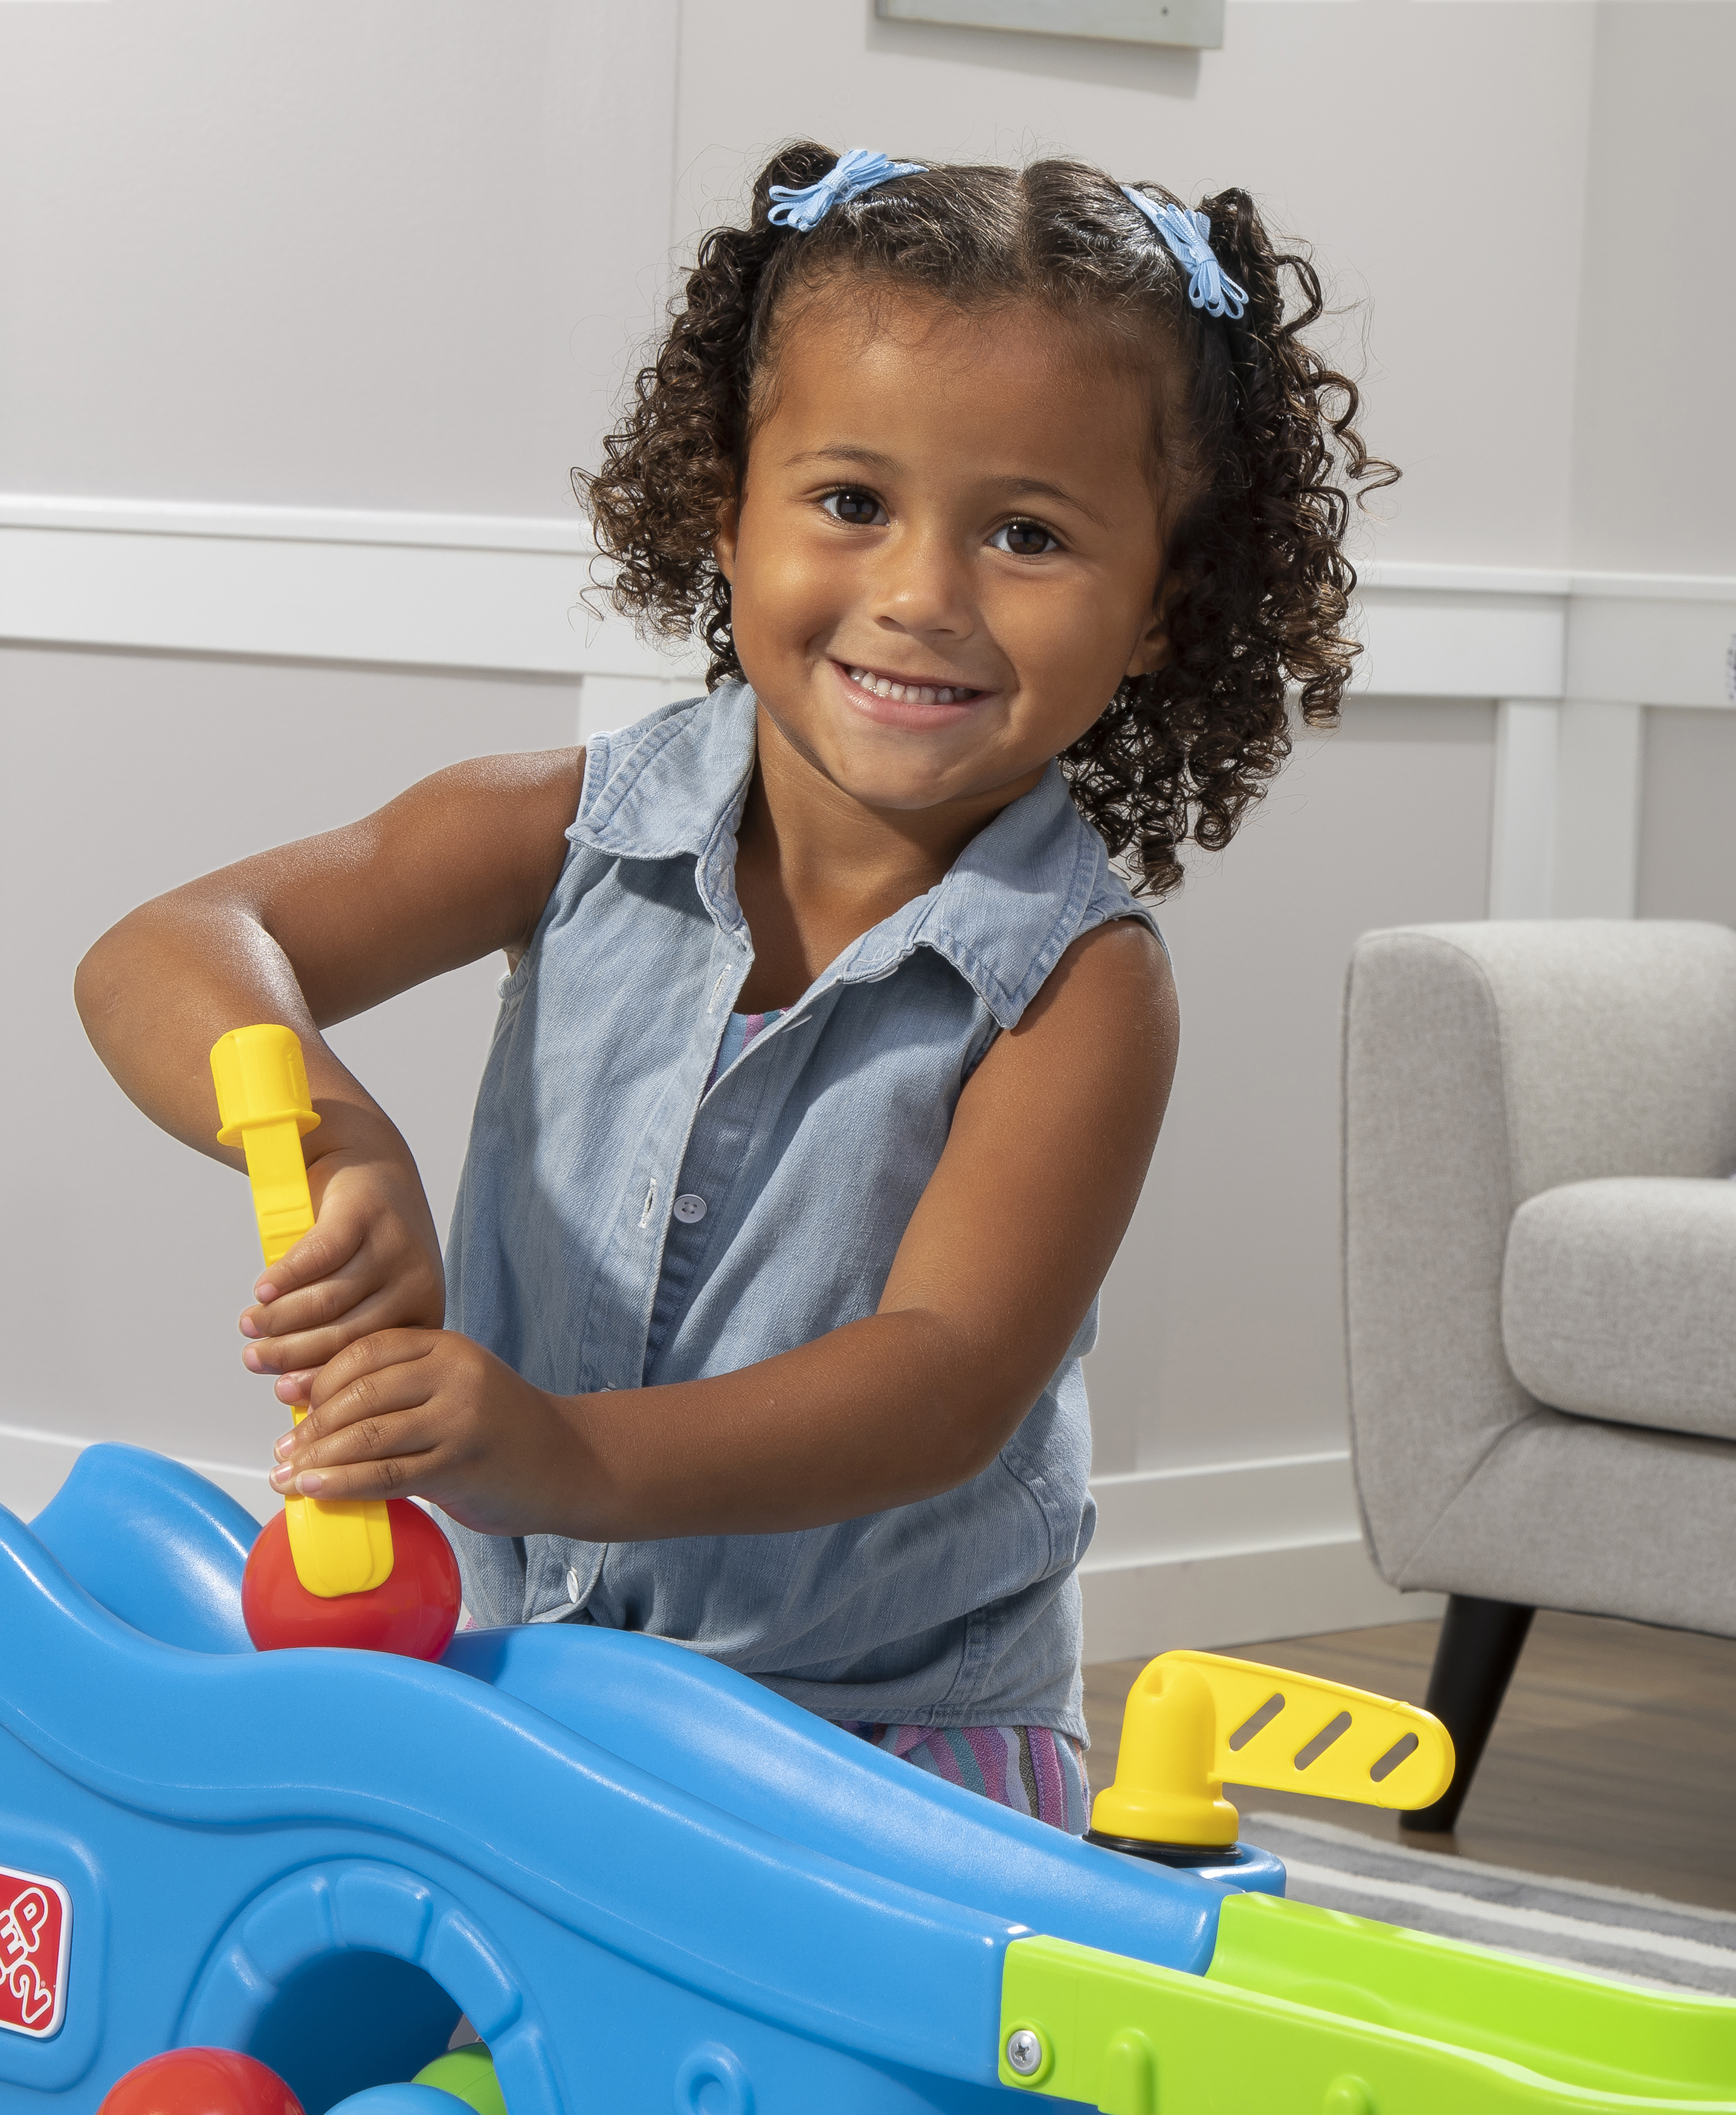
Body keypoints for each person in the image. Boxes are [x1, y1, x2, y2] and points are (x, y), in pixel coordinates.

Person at [75, 142, 1395, 1830]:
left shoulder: (1079, 988)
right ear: (727, 506)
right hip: (502, 1678)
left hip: (868, 1741)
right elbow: (166, 950)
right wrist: (338, 1141)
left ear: (1161, 606)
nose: (918, 595)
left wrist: (555, 1452)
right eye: (851, 502)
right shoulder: (551, 824)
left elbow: (940, 1380)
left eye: (1026, 533)